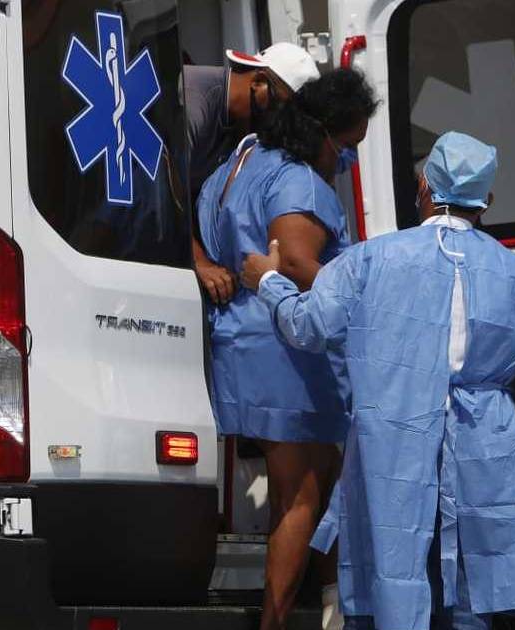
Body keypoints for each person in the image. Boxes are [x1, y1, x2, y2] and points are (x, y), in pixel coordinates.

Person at [240, 132, 515, 630]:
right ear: (487, 200)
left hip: (395, 444)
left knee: (390, 579)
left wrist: (268, 282)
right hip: (482, 446)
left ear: (424, 187)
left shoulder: (371, 260)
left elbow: (308, 324)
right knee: (472, 591)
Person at [197, 67, 378, 630]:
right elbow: (297, 263)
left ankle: (336, 606)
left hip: (240, 341)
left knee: (326, 482)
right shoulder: (298, 180)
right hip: (287, 352)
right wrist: (373, 305)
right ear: (322, 132)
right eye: (347, 145)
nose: (347, 159)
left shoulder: (235, 166)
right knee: (300, 495)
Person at [185, 43, 321, 305]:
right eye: (282, 109)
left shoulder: (239, 125)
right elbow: (159, 192)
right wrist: (199, 262)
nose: (284, 122)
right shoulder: (193, 100)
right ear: (258, 83)